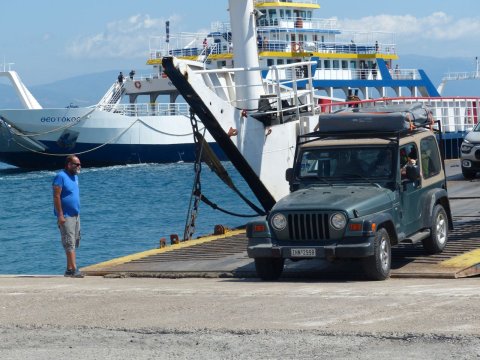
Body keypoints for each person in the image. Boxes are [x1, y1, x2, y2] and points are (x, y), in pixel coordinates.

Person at [53, 155, 84, 278]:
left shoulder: (75, 177)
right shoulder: (60, 177)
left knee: (74, 241)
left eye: (79, 164)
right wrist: (60, 215)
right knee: (69, 242)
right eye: (76, 164)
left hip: (75, 215)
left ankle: (69, 269)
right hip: (66, 216)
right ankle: (74, 269)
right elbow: (56, 196)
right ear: (68, 164)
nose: (79, 166)